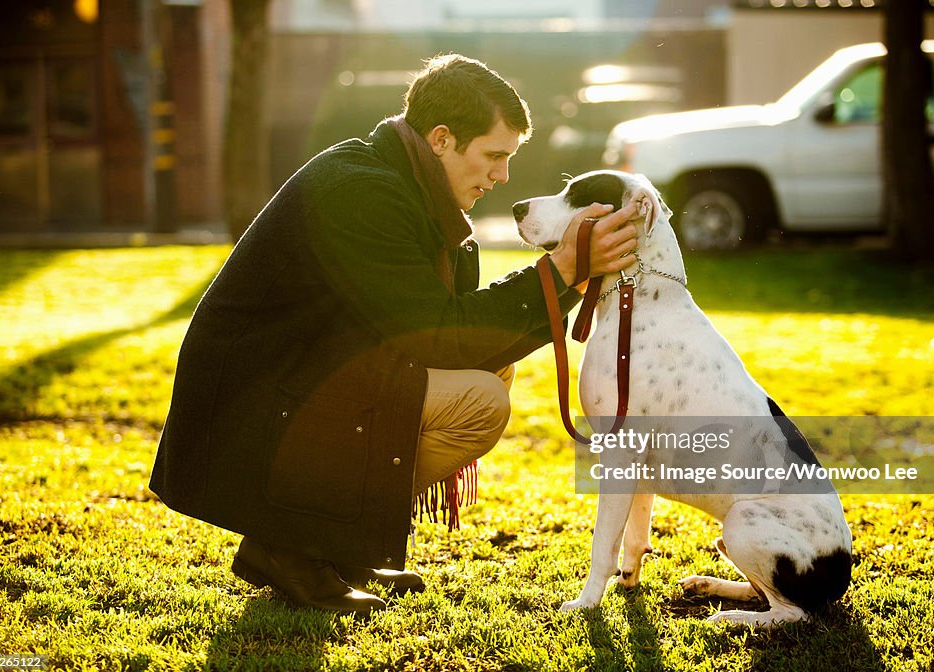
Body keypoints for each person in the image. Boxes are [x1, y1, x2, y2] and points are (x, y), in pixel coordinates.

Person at [149, 54, 638, 615]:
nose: (502, 176)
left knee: (490, 370)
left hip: (304, 377)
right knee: (478, 401)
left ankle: (334, 544)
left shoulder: (400, 181)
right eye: (494, 156)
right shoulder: (364, 191)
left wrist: (565, 274)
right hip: (257, 403)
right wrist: (562, 269)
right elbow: (438, 336)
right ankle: (292, 548)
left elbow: (453, 329)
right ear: (441, 139)